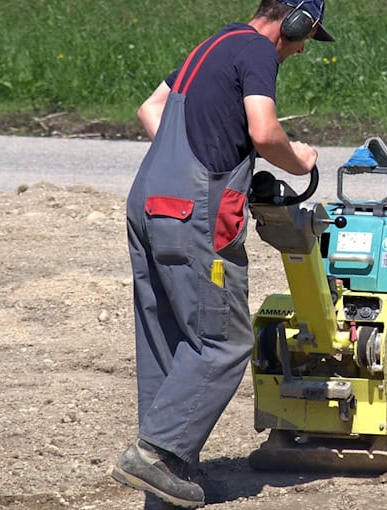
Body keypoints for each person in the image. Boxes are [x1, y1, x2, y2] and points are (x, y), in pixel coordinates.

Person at [111, 0, 334, 507]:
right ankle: (156, 453)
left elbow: (151, 109)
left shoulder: (211, 45)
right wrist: (299, 159)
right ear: (295, 20)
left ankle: (169, 475)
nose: (300, 49)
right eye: (305, 36)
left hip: (148, 202)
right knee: (224, 340)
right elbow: (263, 130)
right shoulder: (257, 50)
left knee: (169, 340)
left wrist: (192, 161)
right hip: (195, 215)